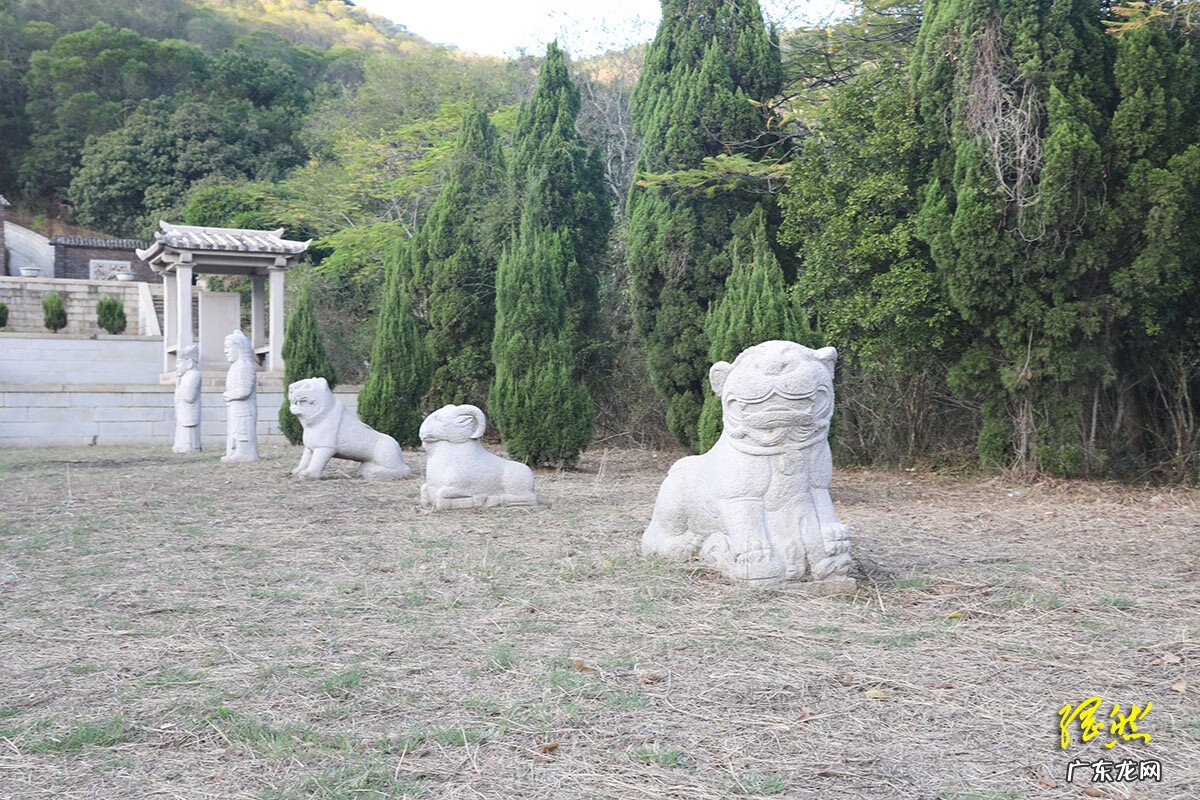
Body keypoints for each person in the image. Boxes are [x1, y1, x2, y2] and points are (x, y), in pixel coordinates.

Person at [222, 329, 258, 462]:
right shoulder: (236, 366)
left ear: (239, 348)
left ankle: (245, 453)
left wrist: (229, 395)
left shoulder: (245, 366)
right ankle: (237, 451)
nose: (226, 351)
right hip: (236, 408)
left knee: (243, 431)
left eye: (228, 347)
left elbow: (244, 391)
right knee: (236, 431)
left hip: (244, 409)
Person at [172, 345, 202, 453]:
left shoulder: (194, 375)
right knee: (181, 427)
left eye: (179, 363)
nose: (177, 367)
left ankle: (191, 446)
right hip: (183, 409)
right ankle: (181, 445)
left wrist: (179, 391)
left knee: (189, 430)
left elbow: (189, 397)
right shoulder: (184, 377)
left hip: (190, 410)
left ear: (189, 363)